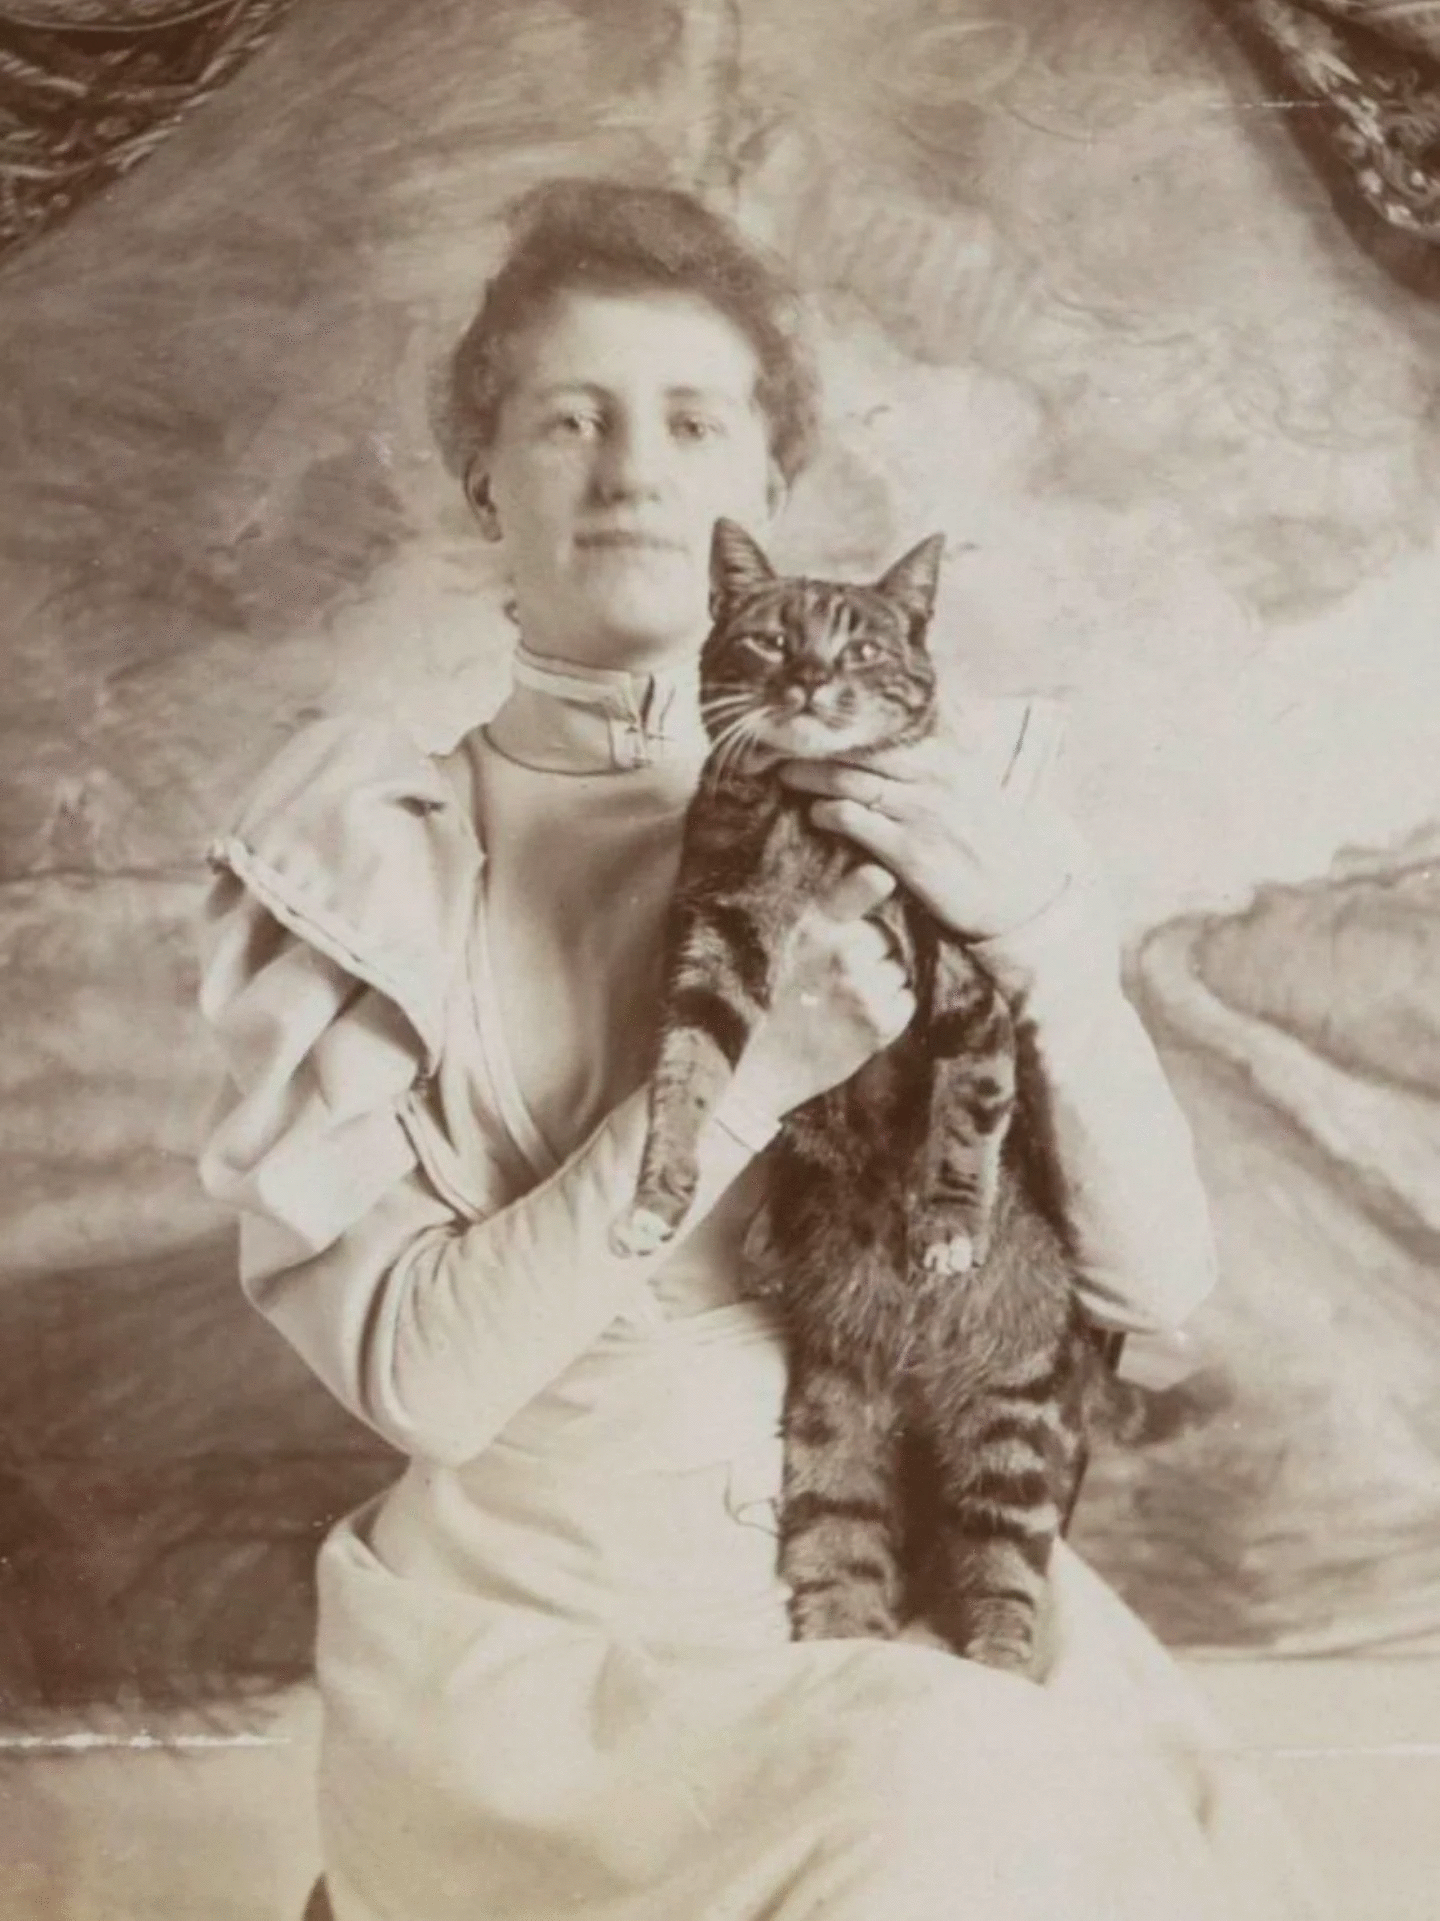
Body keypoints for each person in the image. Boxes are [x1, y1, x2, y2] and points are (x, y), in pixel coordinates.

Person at [197, 179, 1328, 1921]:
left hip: (895, 1592)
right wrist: (750, 1078)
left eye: (691, 419)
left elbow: (1157, 1300)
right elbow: (423, 1381)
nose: (631, 469)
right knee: (930, 1798)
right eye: (566, 418)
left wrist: (1038, 945)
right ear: (484, 472)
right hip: (554, 1671)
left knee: (989, 1789)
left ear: (767, 486)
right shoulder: (368, 862)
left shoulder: (966, 815)